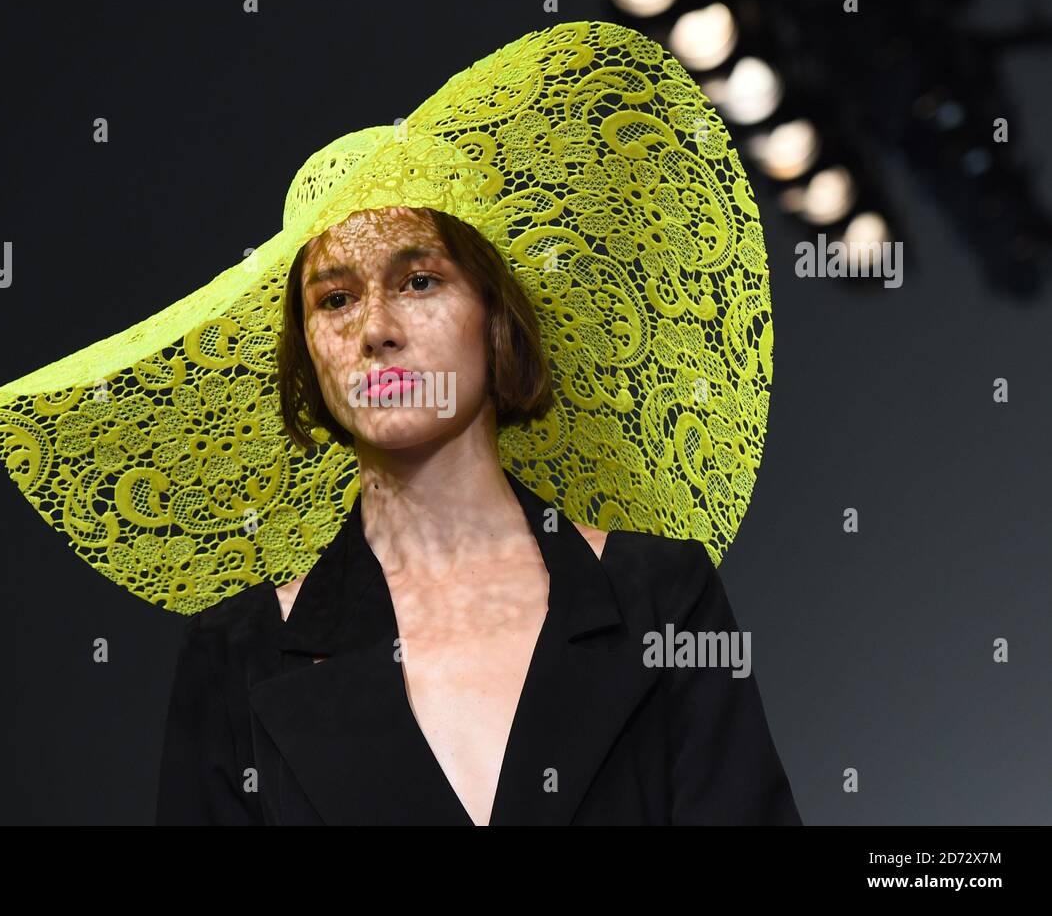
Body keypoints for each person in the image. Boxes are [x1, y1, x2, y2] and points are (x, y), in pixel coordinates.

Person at [153, 203, 802, 825]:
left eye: (419, 280)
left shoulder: (658, 595)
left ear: (494, 313)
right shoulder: (237, 657)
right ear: (309, 349)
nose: (375, 328)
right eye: (336, 299)